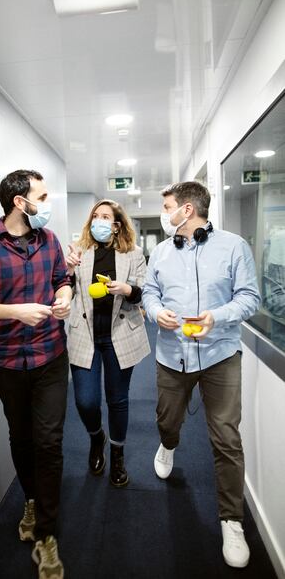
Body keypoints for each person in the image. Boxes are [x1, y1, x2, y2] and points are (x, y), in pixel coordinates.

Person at [142, 181, 260, 569]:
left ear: (187, 210)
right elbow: (148, 292)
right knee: (167, 420)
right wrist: (155, 310)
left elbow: (249, 297)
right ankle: (168, 444)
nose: (164, 212)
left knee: (226, 436)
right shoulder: (161, 251)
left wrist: (217, 317)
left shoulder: (233, 246)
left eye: (167, 206)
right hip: (172, 354)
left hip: (220, 355)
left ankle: (231, 520)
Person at [0, 170, 71, 579]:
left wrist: (63, 297)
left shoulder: (51, 241)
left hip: (50, 357)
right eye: (42, 196)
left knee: (49, 441)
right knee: (21, 438)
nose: (48, 203)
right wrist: (15, 311)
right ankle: (30, 498)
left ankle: (46, 536)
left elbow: (64, 279)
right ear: (20, 203)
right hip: (7, 360)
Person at [66, 199, 150, 487]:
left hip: (120, 334)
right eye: (95, 216)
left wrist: (126, 289)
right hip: (85, 333)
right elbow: (65, 287)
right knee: (85, 401)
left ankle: (117, 455)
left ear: (116, 225)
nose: (99, 221)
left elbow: (143, 293)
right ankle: (95, 437)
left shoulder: (133, 254)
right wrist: (66, 269)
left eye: (106, 217)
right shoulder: (78, 252)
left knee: (117, 400)